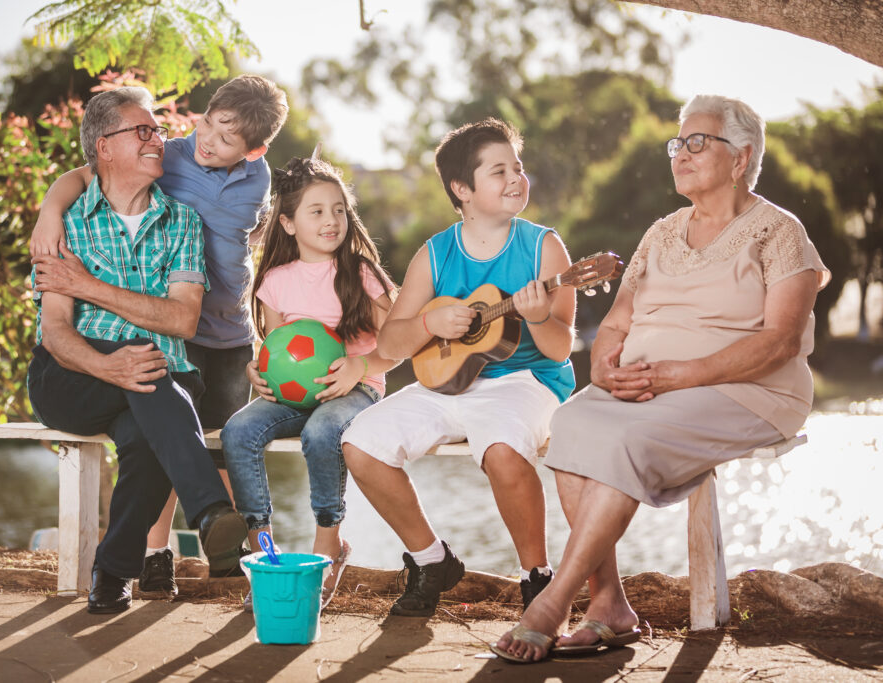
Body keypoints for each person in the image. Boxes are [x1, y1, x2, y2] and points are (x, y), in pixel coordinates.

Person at [491, 94, 831, 663]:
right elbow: (617, 322)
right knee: (572, 422)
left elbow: (781, 343)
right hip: (650, 388)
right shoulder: (661, 233)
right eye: (678, 143)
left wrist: (681, 375)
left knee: (625, 438)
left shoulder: (779, 232)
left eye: (698, 142)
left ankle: (552, 605)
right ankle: (610, 606)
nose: (682, 153)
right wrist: (603, 366)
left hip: (749, 391)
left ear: (741, 157)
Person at [30, 74, 289, 593]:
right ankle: (205, 518)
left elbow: (182, 318)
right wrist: (48, 210)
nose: (159, 138)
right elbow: (56, 330)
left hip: (209, 339)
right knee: (156, 383)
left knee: (157, 419)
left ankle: (115, 574)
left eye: (156, 131)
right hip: (83, 370)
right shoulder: (76, 222)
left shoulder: (185, 219)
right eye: (143, 131)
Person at [341, 118, 577, 618]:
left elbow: (559, 349)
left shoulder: (544, 248)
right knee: (361, 443)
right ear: (462, 188)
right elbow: (393, 340)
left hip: (526, 382)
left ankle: (537, 578)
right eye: (499, 171)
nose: (516, 177)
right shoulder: (435, 253)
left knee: (502, 451)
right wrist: (430, 320)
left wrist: (536, 317)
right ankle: (432, 561)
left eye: (518, 166)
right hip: (447, 382)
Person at [219, 156, 397, 610]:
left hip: (356, 388)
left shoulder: (361, 273)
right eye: (316, 211)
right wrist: (254, 372)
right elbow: (273, 348)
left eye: (338, 209)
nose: (331, 220)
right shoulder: (275, 282)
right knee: (238, 431)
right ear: (289, 223)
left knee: (321, 432)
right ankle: (263, 553)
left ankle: (328, 548)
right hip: (295, 395)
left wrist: (364, 365)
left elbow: (400, 338)